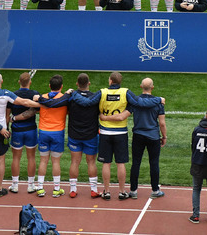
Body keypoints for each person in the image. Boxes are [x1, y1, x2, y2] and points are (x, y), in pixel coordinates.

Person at [70, 72, 164, 200]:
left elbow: (86, 102)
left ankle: (107, 191)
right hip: (120, 132)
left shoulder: (102, 92)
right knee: (121, 163)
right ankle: (121, 191)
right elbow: (141, 102)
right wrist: (158, 99)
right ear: (120, 82)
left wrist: (73, 93)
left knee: (106, 163)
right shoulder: (125, 92)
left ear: (110, 81)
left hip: (104, 132)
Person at [101, 78, 166, 199]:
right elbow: (162, 123)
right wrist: (164, 136)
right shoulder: (158, 103)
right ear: (152, 87)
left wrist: (105, 118)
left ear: (141, 86)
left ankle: (133, 191)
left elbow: (123, 116)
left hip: (138, 136)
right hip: (153, 136)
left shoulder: (134, 102)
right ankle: (155, 190)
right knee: (154, 163)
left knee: (136, 163)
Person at [32, 75, 68, 198]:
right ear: (61, 87)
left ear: (49, 86)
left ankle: (40, 188)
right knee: (56, 161)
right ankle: (56, 189)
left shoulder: (43, 97)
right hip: (57, 132)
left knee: (43, 160)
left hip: (43, 131)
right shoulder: (64, 99)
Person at [7, 73, 40, 195]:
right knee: (31, 157)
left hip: (17, 131)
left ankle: (15, 185)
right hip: (31, 130)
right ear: (30, 82)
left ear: (19, 82)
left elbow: (7, 115)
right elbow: (35, 110)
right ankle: (31, 185)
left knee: (16, 158)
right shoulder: (34, 94)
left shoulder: (12, 95)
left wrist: (7, 127)